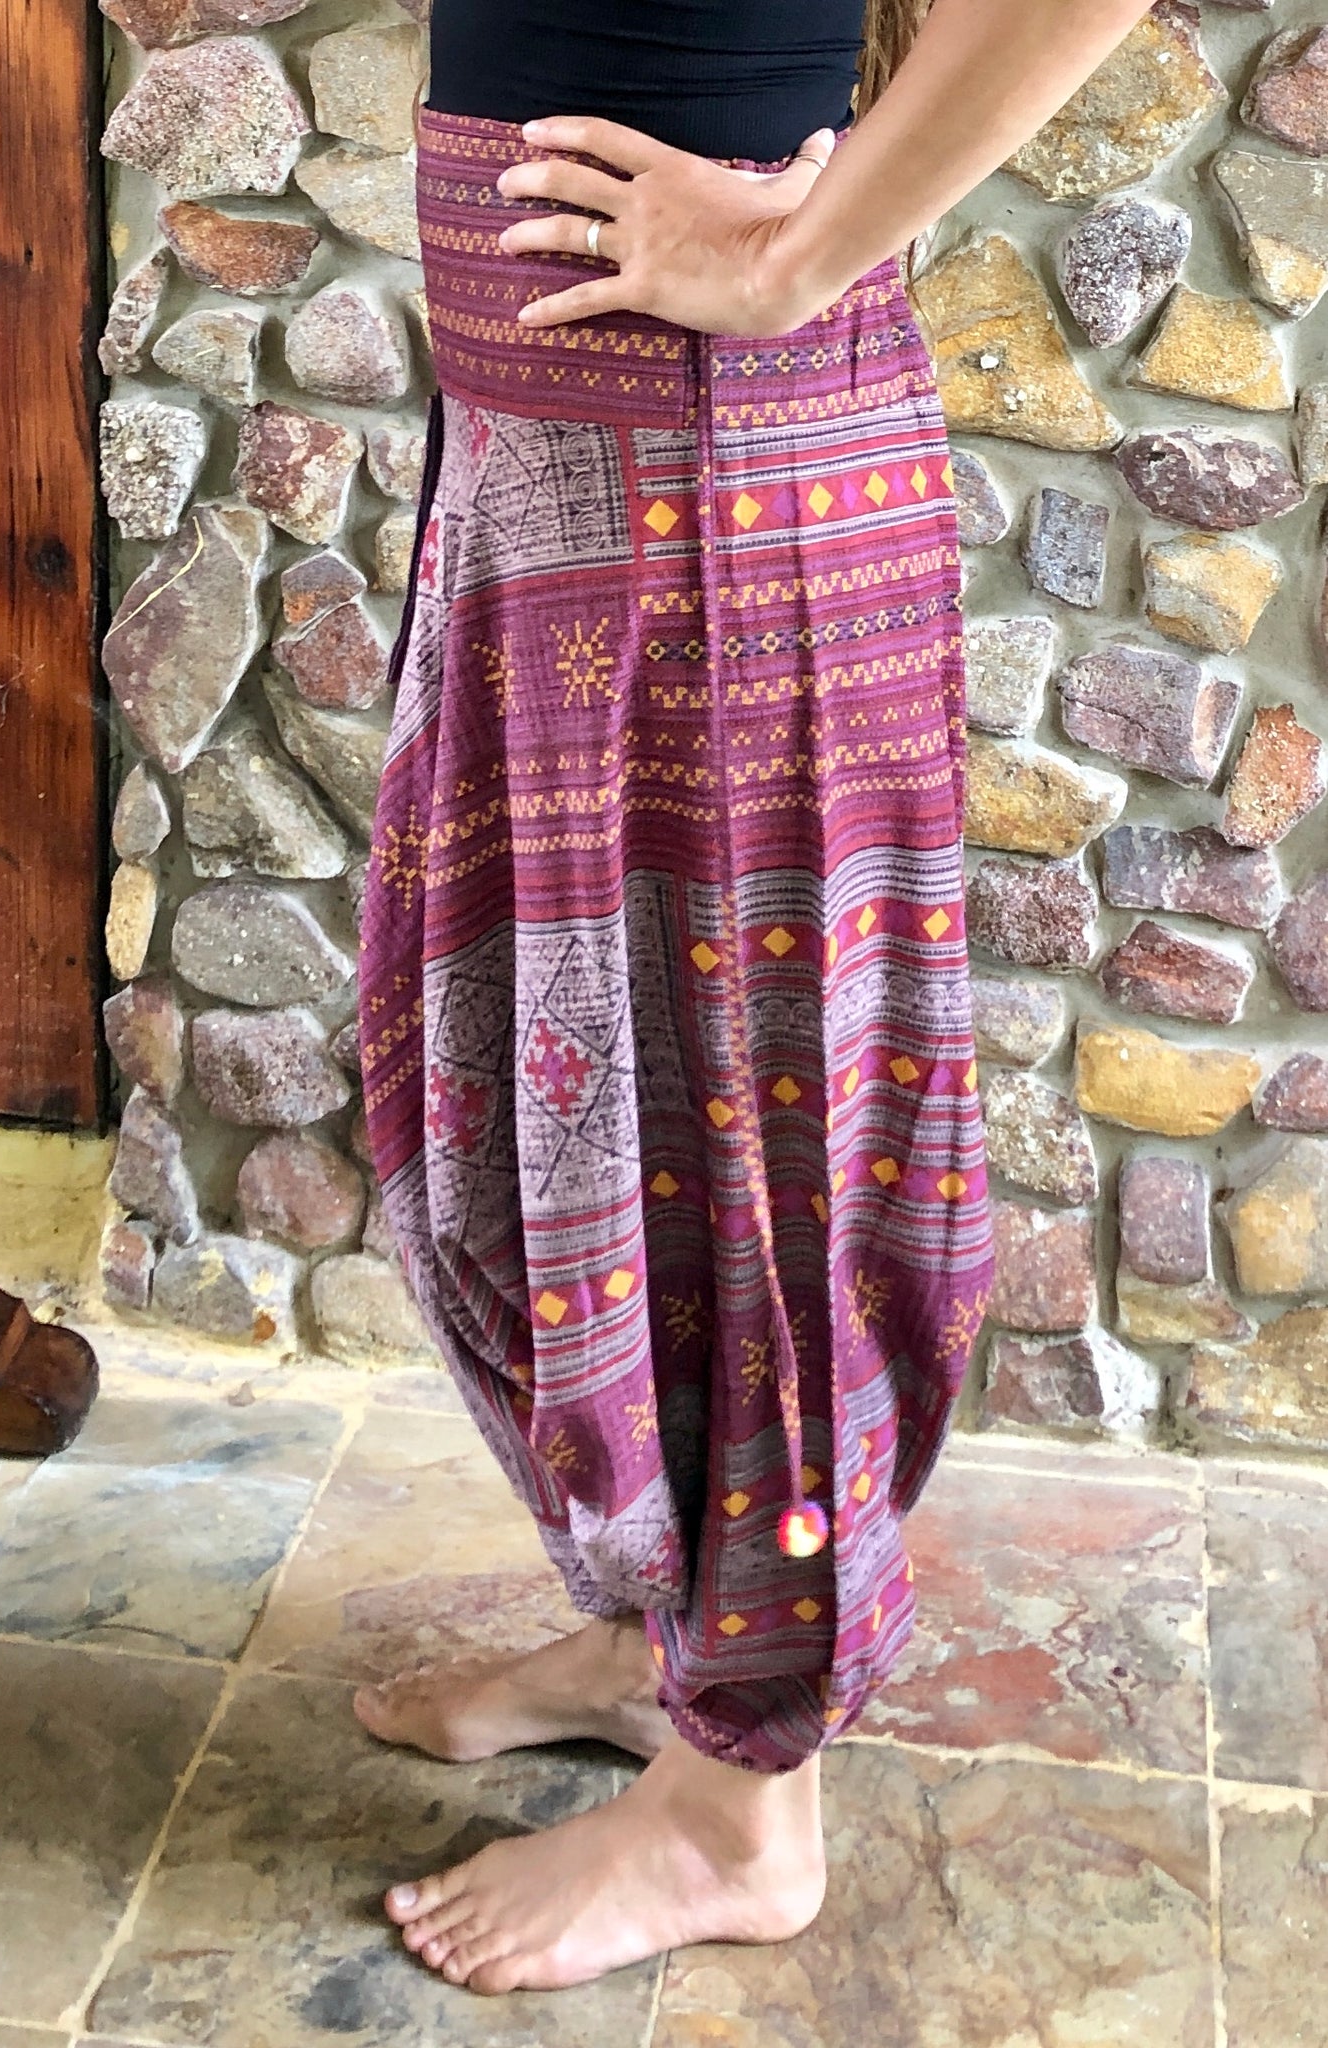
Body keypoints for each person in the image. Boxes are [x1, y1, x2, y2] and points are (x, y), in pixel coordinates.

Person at [355, 0, 1154, 1996]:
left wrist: (797, 252)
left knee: (744, 1170)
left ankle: (737, 1811)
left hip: (713, 436)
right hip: (555, 436)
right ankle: (659, 1642)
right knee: (559, 1133)